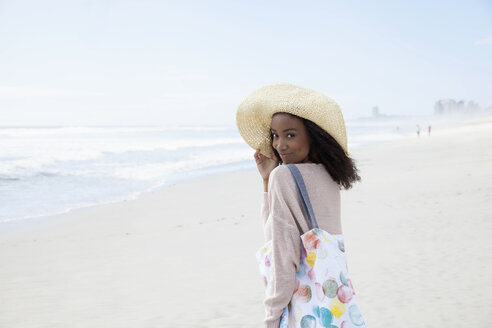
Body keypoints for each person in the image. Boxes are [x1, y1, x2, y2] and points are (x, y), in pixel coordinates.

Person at [236, 83, 365, 328]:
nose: (279, 144)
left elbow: (281, 253)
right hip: (335, 303)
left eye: (290, 134)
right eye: (275, 135)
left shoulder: (284, 177)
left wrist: (271, 318)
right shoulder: (329, 176)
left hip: (304, 308)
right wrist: (267, 180)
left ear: (313, 137)